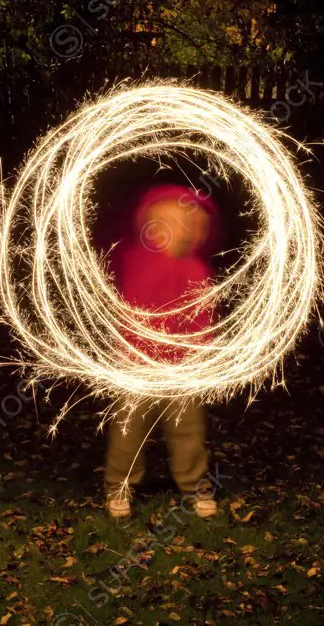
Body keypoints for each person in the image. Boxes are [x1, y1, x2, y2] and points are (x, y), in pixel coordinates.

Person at [104, 183, 220, 519]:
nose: (181, 230)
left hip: (182, 369)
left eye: (189, 224)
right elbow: (127, 309)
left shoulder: (197, 271)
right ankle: (119, 488)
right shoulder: (135, 261)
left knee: (188, 433)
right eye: (166, 221)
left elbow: (202, 317)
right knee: (128, 432)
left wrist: (200, 352)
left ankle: (196, 487)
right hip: (136, 365)